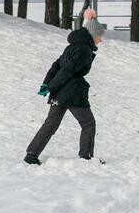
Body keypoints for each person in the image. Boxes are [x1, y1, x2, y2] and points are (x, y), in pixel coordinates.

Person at [24, 9, 106, 165]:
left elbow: (56, 66)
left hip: (59, 92)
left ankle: (32, 154)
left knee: (51, 124)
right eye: (99, 36)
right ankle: (86, 157)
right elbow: (67, 71)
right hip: (72, 93)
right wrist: (50, 86)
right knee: (88, 123)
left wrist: (47, 84)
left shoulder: (71, 47)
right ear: (92, 36)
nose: (100, 40)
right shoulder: (84, 50)